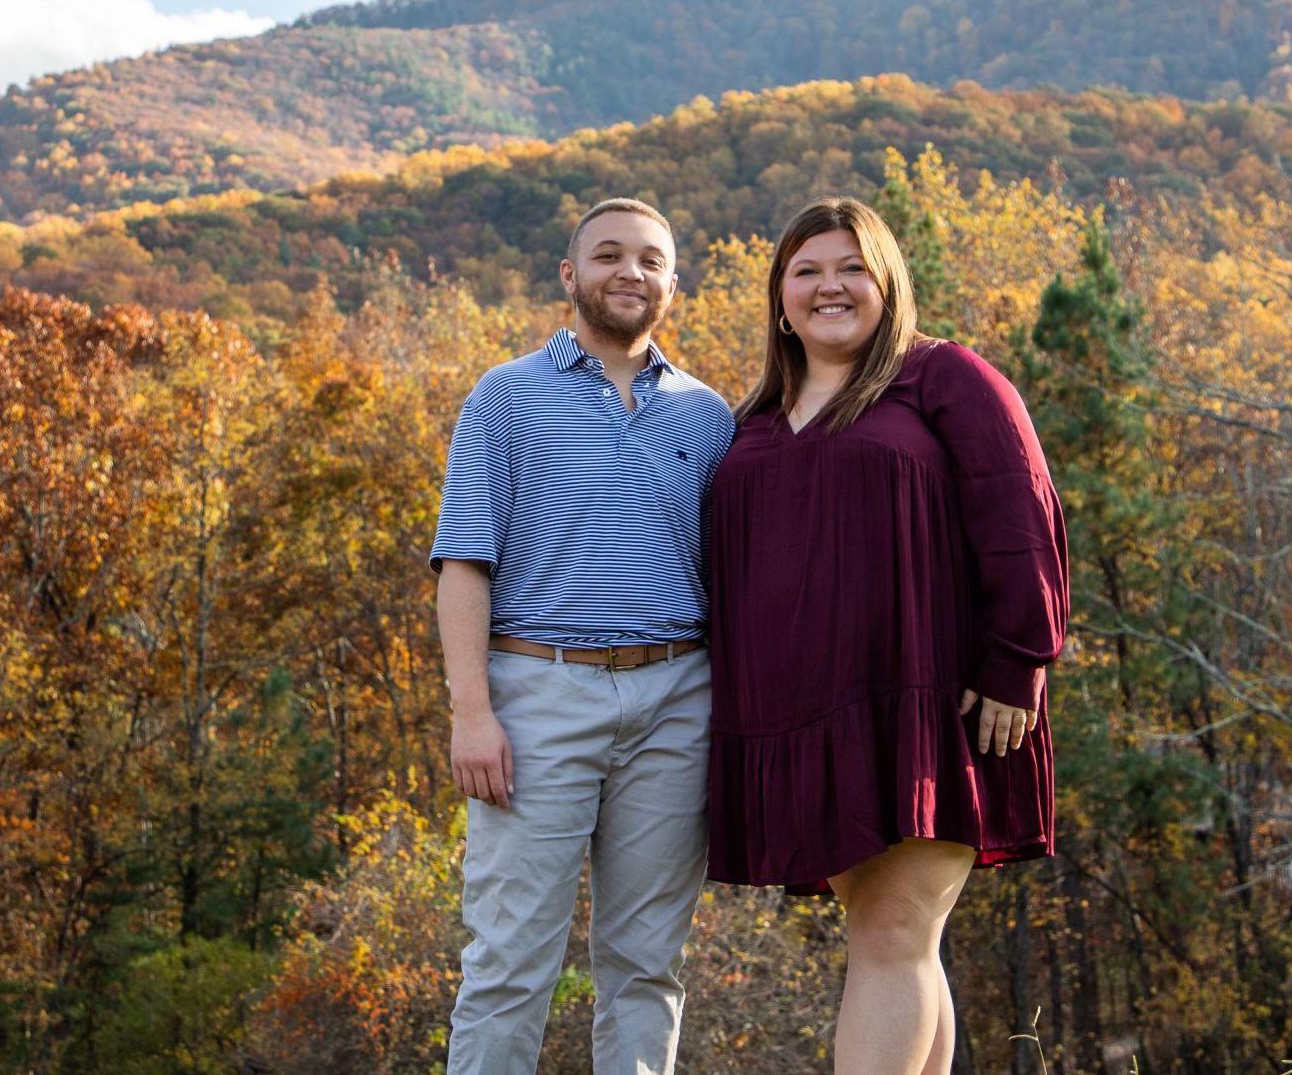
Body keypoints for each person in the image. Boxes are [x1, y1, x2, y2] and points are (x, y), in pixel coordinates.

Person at [706, 196, 1070, 1074]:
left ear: (887, 283)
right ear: (779, 298)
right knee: (896, 936)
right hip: (804, 721)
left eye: (851, 268)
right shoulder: (752, 419)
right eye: (806, 270)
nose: (829, 286)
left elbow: (1021, 514)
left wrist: (1018, 662)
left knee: (892, 930)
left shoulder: (941, 377)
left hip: (928, 707)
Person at [432, 196, 737, 1074]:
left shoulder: (707, 416)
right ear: (569, 275)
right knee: (509, 963)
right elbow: (463, 564)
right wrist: (471, 713)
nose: (628, 272)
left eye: (649, 259)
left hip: (675, 700)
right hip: (537, 696)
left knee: (647, 967)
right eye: (607, 255)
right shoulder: (506, 396)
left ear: (672, 284)